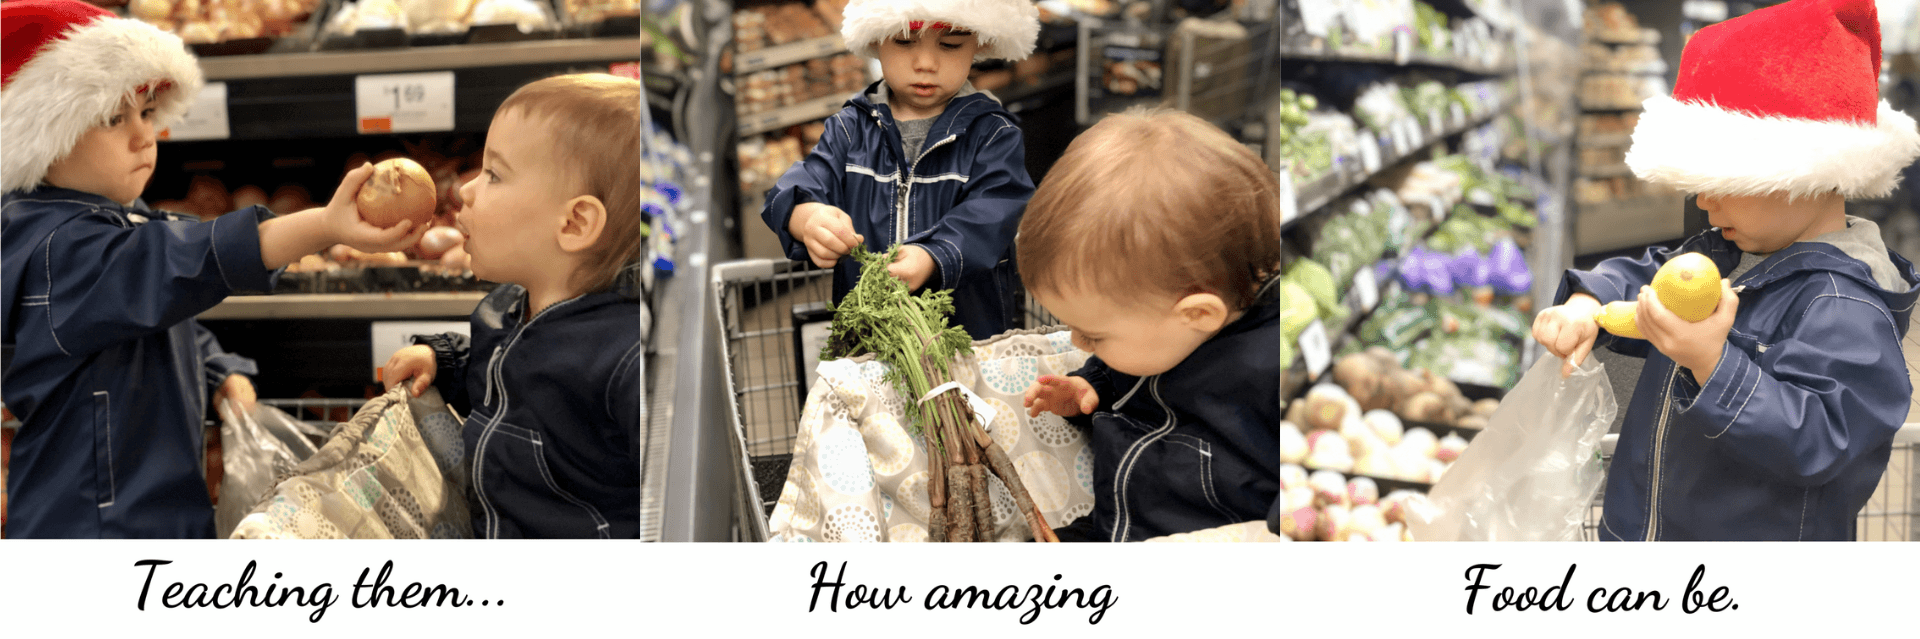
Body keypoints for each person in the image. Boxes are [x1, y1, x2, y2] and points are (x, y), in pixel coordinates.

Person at [1, 0, 425, 538]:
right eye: (113, 118)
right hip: (93, 527)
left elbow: (152, 320)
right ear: (40, 133)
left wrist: (217, 370)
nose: (143, 136)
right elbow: (177, 264)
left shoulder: (114, 221)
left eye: (147, 113)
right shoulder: (53, 250)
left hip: (148, 511)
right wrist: (322, 226)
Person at [1531, 0, 1920, 541]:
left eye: (1723, 178)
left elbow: (1822, 441)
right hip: (1646, 533)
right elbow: (1648, 275)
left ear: (1802, 170)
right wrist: (1587, 302)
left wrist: (1712, 361)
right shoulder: (1727, 252)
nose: (1705, 202)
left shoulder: (1843, 304)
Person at [381, 74, 645, 539]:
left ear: (575, 222)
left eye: (494, 175)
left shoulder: (624, 359)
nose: (465, 190)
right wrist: (445, 362)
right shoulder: (506, 309)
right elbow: (502, 381)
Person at [1018, 108, 1280, 542]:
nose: (1077, 342)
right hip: (1119, 523)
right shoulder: (1173, 332)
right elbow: (1142, 365)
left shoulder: (1270, 380)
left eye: (1095, 336)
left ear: (1198, 314)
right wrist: (1096, 384)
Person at [761, 0, 1040, 339]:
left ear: (979, 42)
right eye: (904, 41)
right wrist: (807, 218)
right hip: (870, 341)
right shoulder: (850, 130)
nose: (925, 63)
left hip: (966, 338)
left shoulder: (993, 135)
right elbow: (805, 182)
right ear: (877, 39)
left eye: (950, 44)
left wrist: (934, 256)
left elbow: (993, 212)